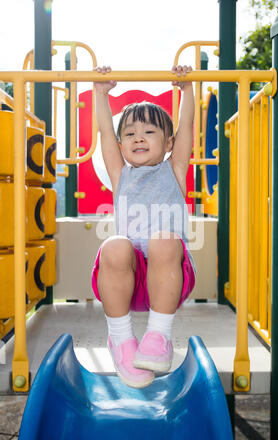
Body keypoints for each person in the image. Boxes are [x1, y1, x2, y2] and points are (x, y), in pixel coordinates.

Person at [91, 65, 196, 388]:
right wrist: (100, 93)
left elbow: (187, 126)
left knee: (164, 239)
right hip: (127, 279)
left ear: (168, 143)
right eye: (131, 133)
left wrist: (187, 90)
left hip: (168, 276)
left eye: (149, 132)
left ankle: (158, 336)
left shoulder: (174, 171)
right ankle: (121, 341)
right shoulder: (120, 174)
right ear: (122, 145)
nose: (138, 137)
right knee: (114, 243)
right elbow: (105, 133)